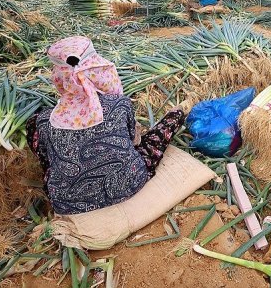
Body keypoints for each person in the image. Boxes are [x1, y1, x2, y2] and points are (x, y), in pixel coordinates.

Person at [26, 36, 185, 215]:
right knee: (153, 141)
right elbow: (134, 142)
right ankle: (177, 114)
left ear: (59, 76)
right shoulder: (120, 104)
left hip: (67, 203)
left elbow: (46, 161)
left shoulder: (42, 121)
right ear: (97, 67)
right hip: (127, 186)